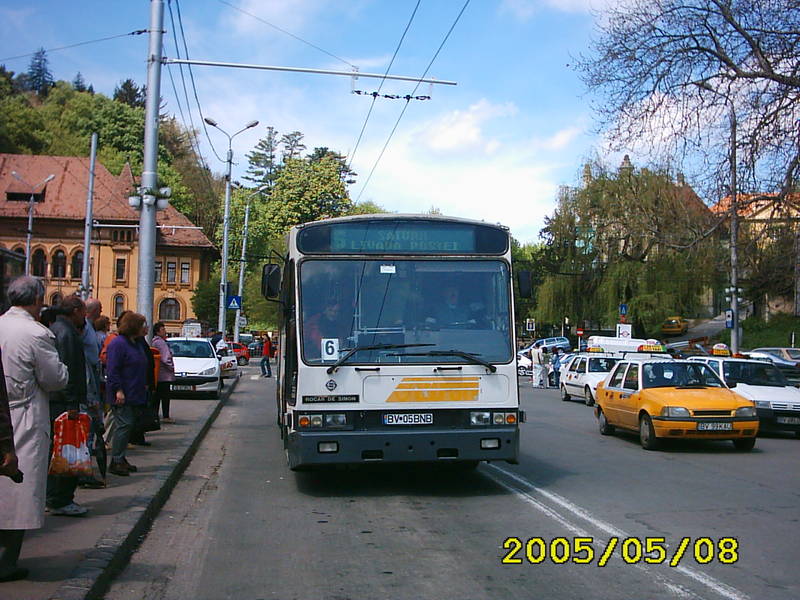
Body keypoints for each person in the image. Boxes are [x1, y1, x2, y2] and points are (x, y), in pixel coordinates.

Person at [0, 276, 68, 582]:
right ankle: (6, 562)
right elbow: (55, 378)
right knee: (18, 494)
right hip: (22, 417)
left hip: (8, 414)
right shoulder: (36, 333)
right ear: (37, 300)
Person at [47, 294, 89, 516]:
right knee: (67, 450)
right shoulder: (67, 333)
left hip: (58, 400)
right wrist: (73, 402)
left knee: (57, 450)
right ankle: (60, 498)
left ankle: (54, 496)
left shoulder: (57, 328)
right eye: (83, 312)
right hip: (64, 403)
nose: (85, 317)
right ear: (75, 311)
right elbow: (68, 370)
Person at [105, 313, 149, 476]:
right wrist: (118, 390)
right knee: (124, 425)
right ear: (133, 326)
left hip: (135, 392)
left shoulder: (135, 343)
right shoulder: (118, 344)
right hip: (122, 393)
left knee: (128, 426)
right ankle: (116, 460)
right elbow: (113, 369)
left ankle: (121, 458)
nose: (145, 328)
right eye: (142, 325)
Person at [80, 300, 105, 489]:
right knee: (87, 433)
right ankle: (84, 473)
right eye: (100, 309)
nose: (102, 311)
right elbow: (87, 362)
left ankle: (85, 470)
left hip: (92, 382)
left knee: (90, 432)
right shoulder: (85, 329)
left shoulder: (88, 328)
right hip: (88, 385)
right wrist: (91, 396)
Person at [151, 322, 175, 422]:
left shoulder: (154, 341)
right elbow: (166, 357)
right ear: (157, 332)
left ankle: (155, 416)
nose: (165, 331)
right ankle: (165, 416)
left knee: (157, 397)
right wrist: (171, 367)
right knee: (165, 396)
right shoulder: (160, 342)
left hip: (158, 374)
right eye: (163, 329)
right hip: (164, 374)